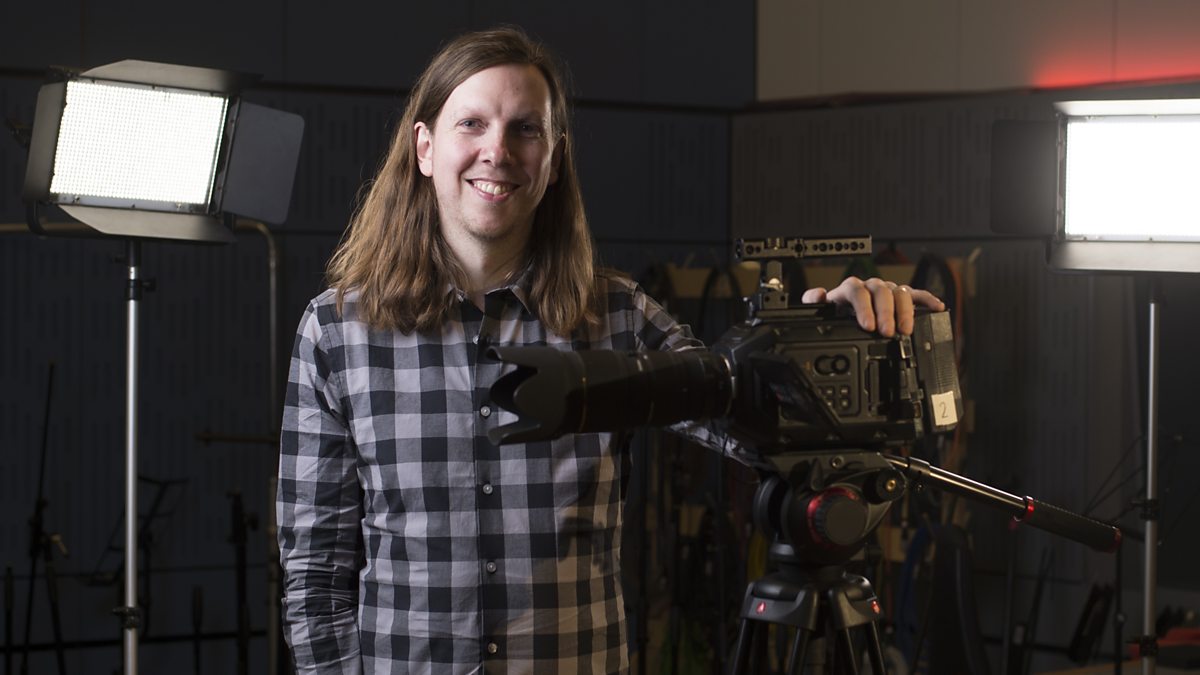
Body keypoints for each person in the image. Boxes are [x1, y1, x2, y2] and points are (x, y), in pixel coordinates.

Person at [276, 26, 944, 675]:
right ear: (424, 148)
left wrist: (832, 336)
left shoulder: (619, 316)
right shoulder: (336, 330)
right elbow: (315, 569)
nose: (497, 150)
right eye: (472, 124)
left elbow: (750, 424)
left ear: (554, 160)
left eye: (525, 129)